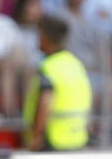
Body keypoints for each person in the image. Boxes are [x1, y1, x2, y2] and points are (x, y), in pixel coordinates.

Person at [24, 15, 93, 151]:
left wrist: (36, 136)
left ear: (46, 37)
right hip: (78, 140)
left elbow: (45, 102)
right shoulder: (76, 64)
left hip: (53, 142)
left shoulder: (49, 67)